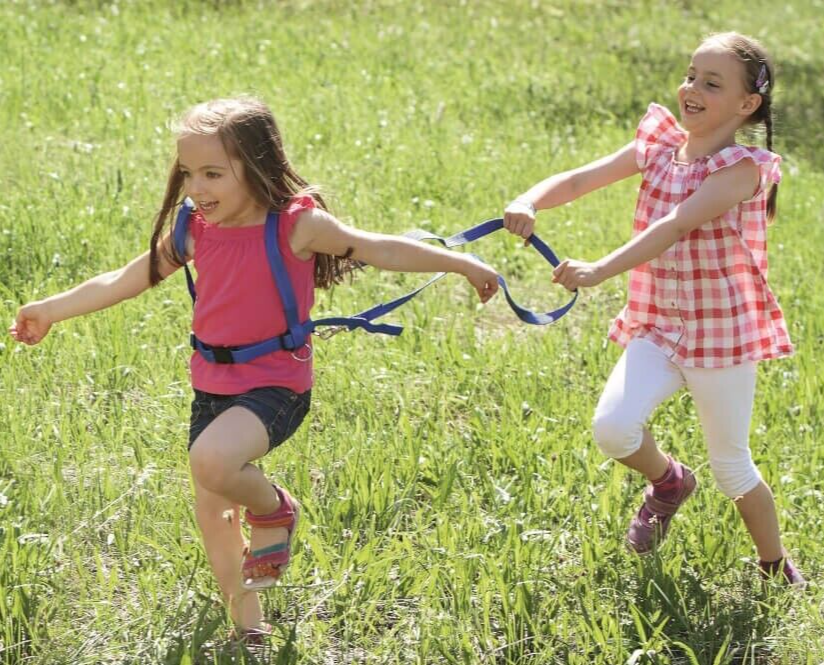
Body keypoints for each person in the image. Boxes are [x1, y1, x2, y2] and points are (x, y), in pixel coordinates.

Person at [9, 96, 500, 639]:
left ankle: (275, 511)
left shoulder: (297, 225)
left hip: (276, 384)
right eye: (189, 173)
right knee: (214, 514)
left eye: (213, 173)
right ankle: (249, 627)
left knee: (212, 461)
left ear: (257, 165)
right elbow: (127, 278)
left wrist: (462, 261)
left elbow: (380, 248)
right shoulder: (195, 228)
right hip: (211, 386)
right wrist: (50, 309)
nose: (197, 188)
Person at [503, 32, 804, 586]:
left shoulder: (743, 168)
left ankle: (774, 564)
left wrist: (597, 270)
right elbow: (579, 178)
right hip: (660, 325)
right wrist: (529, 199)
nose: (691, 89)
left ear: (746, 105)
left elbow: (675, 225)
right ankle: (669, 483)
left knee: (731, 466)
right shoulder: (661, 143)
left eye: (711, 83)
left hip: (721, 336)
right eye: (691, 75)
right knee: (613, 429)